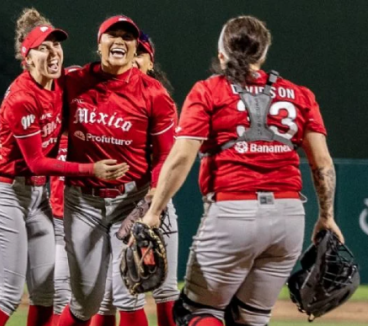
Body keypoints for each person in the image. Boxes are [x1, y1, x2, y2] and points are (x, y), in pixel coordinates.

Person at [141, 16, 345, 326]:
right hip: (289, 217)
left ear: (222, 52)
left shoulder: (209, 90)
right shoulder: (300, 95)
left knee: (199, 312)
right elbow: (323, 163)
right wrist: (327, 217)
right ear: (263, 54)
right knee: (251, 318)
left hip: (234, 211)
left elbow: (182, 157)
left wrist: (154, 212)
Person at [0, 8, 128, 326]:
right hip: (6, 196)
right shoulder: (21, 96)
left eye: (56, 44)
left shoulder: (61, 86)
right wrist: (91, 170)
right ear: (27, 57)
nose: (53, 51)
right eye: (44, 47)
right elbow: (35, 162)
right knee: (6, 295)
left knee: (46, 295)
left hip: (36, 198)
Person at [58, 16, 178, 326]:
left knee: (130, 289)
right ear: (99, 43)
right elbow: (38, 109)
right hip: (83, 203)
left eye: (128, 37)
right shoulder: (72, 80)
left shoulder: (153, 93)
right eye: (113, 35)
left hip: (131, 202)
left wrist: (153, 198)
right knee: (85, 302)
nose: (120, 41)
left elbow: (166, 155)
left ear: (136, 46)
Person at [91, 31, 180, 326]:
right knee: (107, 295)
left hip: (154, 205)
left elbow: (168, 159)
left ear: (150, 62)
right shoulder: (102, 96)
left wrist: (154, 202)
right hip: (110, 205)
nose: (134, 56)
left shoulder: (159, 100)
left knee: (163, 289)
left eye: (141, 52)